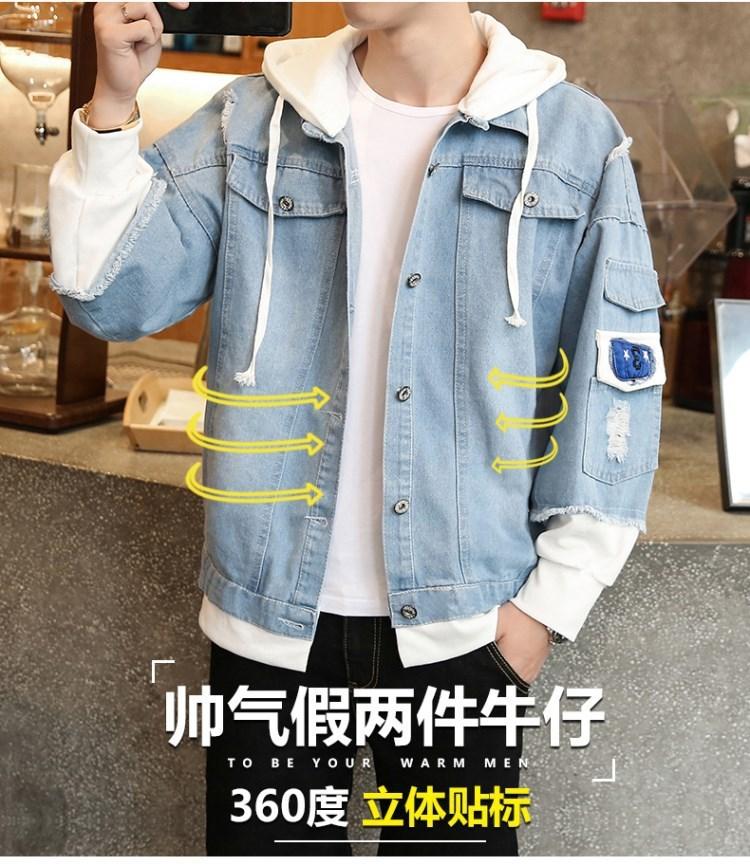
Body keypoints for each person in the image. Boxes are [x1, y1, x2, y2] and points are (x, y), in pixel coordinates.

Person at [47, 1, 666, 856]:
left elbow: (617, 385)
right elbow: (109, 298)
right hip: (271, 636)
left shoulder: (572, 139)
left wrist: (546, 609)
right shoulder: (252, 118)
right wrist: (114, 103)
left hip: (468, 637)